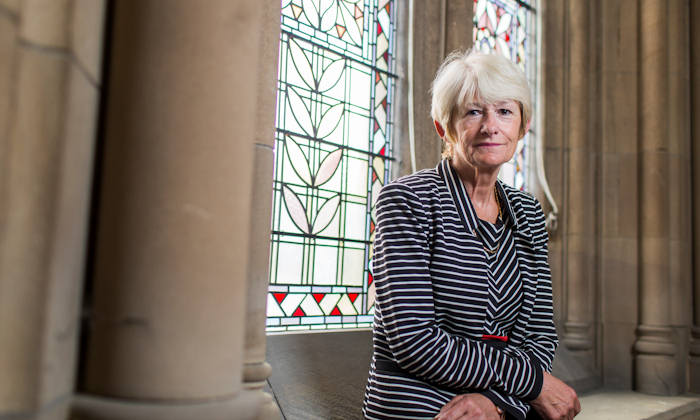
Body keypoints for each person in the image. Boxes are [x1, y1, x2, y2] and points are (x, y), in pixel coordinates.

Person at [362, 50, 580, 420]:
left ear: (523, 126)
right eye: (473, 111)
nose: (490, 126)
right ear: (443, 126)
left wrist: (496, 402)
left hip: (503, 402)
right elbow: (414, 341)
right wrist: (532, 384)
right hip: (419, 402)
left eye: (505, 111)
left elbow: (541, 334)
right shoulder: (407, 201)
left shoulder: (527, 212)